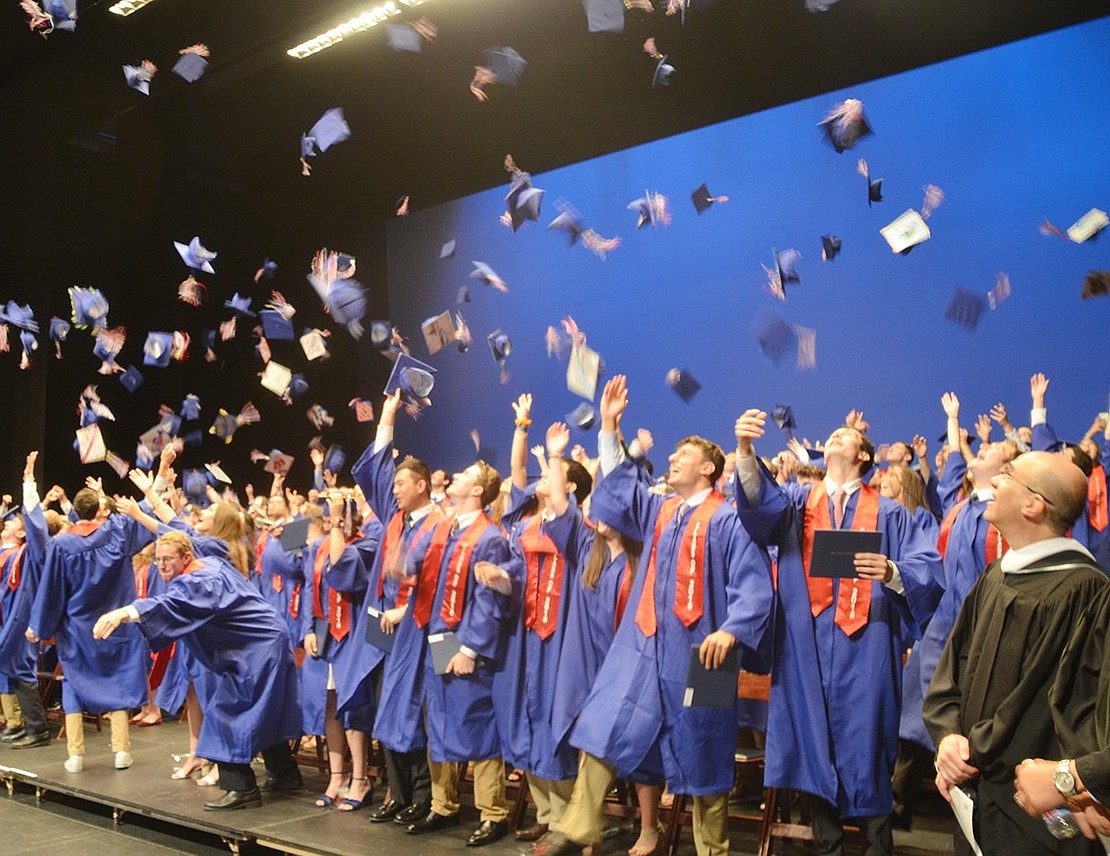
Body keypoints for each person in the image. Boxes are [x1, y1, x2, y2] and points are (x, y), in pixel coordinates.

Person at [538, 376, 774, 856]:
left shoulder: (728, 519)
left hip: (705, 652)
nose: (670, 459)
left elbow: (753, 582)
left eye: (682, 455)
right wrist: (608, 427)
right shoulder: (659, 510)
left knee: (706, 749)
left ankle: (713, 848)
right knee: (606, 722)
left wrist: (733, 630)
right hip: (645, 643)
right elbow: (620, 489)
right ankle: (580, 824)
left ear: (708, 467)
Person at [732, 407, 943, 856]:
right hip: (803, 643)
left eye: (843, 437)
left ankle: (877, 846)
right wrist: (746, 452)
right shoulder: (794, 503)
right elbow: (756, 506)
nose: (833, 438)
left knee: (866, 738)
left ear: (864, 455)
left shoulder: (890, 513)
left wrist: (890, 570)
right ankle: (826, 845)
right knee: (812, 739)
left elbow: (929, 569)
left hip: (866, 644)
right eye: (830, 435)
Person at [925, 451, 1106, 854]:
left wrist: (971, 750)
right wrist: (948, 736)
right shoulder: (997, 574)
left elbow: (1041, 706)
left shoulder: (1082, 592)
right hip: (973, 796)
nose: (992, 483)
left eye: (1005, 475)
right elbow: (952, 666)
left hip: (1034, 812)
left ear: (1033, 504)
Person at [93, 531, 303, 810]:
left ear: (186, 557)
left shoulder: (201, 580)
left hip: (257, 651)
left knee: (226, 712)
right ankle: (285, 774)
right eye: (157, 560)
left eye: (168, 559)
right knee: (262, 711)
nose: (162, 566)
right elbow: (183, 535)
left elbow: (170, 604)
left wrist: (125, 612)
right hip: (262, 644)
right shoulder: (209, 564)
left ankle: (242, 788)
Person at [373, 455, 515, 847]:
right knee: (439, 716)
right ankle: (443, 804)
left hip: (466, 642)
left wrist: (469, 648)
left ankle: (493, 813)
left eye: (466, 474)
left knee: (477, 723)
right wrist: (405, 573)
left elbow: (490, 603)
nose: (456, 473)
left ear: (477, 491)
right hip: (439, 636)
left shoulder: (489, 538)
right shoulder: (449, 527)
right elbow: (429, 573)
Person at [894, 392, 1016, 828]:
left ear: (1008, 469)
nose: (976, 451)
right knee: (918, 720)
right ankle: (898, 805)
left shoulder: (1007, 516)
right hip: (938, 634)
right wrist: (953, 419)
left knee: (967, 726)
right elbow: (952, 474)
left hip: (983, 634)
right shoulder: (959, 507)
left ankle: (976, 818)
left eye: (990, 450)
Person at [492, 410, 593, 843]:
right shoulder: (527, 524)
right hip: (526, 630)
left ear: (568, 487)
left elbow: (563, 513)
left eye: (554, 474)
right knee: (528, 717)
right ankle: (547, 812)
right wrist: (501, 580)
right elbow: (516, 566)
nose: (544, 478)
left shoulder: (578, 525)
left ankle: (569, 818)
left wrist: (556, 454)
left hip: (561, 631)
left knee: (557, 719)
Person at [349, 389, 444, 825]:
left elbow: (442, 584)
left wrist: (403, 612)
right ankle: (397, 793)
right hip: (383, 627)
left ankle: (424, 798)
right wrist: (386, 413)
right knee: (387, 706)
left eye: (402, 485)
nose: (394, 490)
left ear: (421, 485)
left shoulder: (442, 524)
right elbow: (377, 469)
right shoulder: (394, 518)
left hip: (421, 631)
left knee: (420, 713)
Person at [26, 484, 155, 773]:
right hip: (115, 625)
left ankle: (76, 755)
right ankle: (121, 750)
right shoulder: (117, 533)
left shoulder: (62, 545)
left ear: (75, 511)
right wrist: (157, 483)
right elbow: (146, 516)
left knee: (74, 681)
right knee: (118, 680)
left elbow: (52, 591)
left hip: (78, 629)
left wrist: (39, 626)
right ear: (100, 510)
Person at [297, 491, 380, 811]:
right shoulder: (316, 548)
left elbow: (343, 569)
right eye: (332, 519)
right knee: (329, 704)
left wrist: (335, 526)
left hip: (353, 635)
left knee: (352, 705)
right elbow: (308, 590)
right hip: (324, 634)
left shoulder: (367, 545)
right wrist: (307, 629)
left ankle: (361, 778)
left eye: (340, 518)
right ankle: (337, 776)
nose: (335, 523)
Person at [0, 452, 53, 750]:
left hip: (23, 620)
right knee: (11, 667)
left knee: (21, 667)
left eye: (10, 523)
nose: (5, 524)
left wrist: (29, 484)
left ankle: (37, 728)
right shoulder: (7, 553)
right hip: (8, 618)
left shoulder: (29, 554)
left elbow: (37, 526)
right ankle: (24, 724)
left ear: (22, 533)